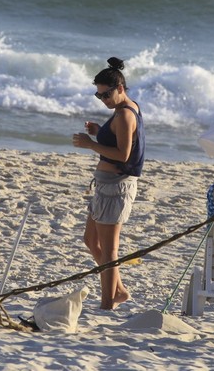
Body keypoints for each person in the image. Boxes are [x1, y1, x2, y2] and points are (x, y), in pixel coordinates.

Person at [72, 57, 145, 310]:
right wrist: (99, 130)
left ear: (121, 89)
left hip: (116, 187)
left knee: (110, 249)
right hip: (106, 186)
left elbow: (123, 154)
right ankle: (119, 291)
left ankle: (107, 303)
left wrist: (91, 144)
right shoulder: (121, 111)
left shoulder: (125, 115)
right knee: (91, 241)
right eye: (98, 95)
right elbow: (118, 140)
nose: (103, 99)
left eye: (106, 94)